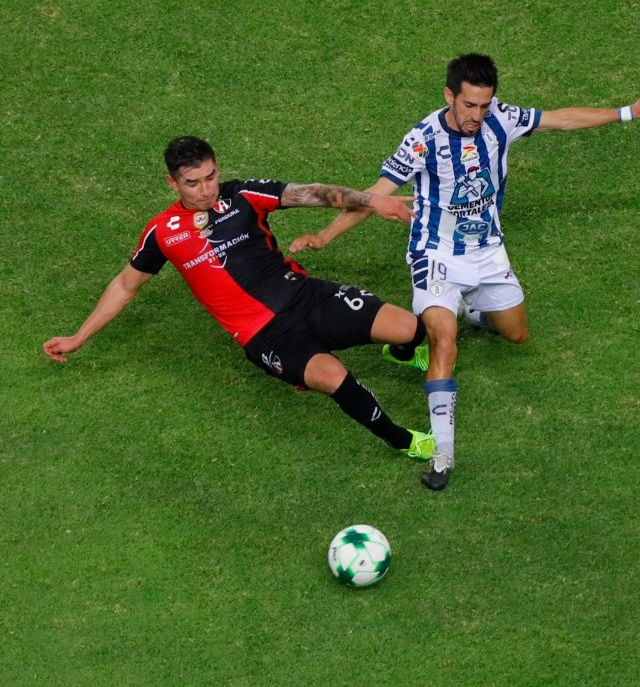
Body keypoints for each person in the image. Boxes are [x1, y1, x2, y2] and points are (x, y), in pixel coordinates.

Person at [290, 53, 640, 491]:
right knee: (442, 341)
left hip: (489, 254)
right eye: (469, 105)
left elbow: (560, 119)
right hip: (436, 255)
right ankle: (443, 453)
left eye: (484, 106)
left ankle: (470, 312)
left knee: (516, 333)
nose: (477, 115)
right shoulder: (422, 140)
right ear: (449, 95)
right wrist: (325, 234)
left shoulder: (500, 119)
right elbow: (375, 195)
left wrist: (627, 112)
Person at [43, 136, 436, 463]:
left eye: (211, 176)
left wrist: (372, 200)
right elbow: (125, 287)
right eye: (193, 183)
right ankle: (403, 440)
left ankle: (399, 352)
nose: (206, 189)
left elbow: (312, 194)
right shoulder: (162, 232)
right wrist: (79, 337)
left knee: (411, 328)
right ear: (173, 184)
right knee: (334, 377)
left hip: (304, 296)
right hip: (266, 336)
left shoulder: (243, 194)